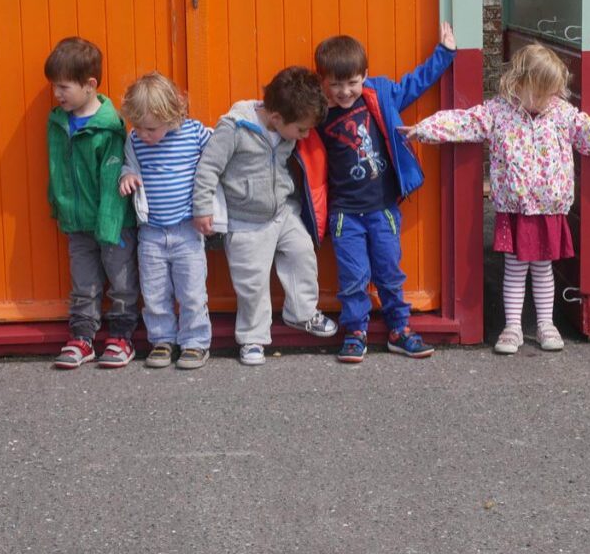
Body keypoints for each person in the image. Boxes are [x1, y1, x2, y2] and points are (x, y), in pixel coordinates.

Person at [402, 43, 590, 354]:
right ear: (518, 83)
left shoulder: (563, 114)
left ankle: (546, 324)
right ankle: (512, 327)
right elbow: (464, 121)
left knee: (542, 268)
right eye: (538, 92)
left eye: (550, 93)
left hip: (550, 208)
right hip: (514, 207)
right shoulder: (498, 111)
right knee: (514, 268)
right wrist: (425, 129)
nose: (544, 100)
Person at [300, 23, 457, 363]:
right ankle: (356, 330)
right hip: (344, 214)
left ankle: (400, 329)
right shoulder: (318, 114)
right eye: (336, 84)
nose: (345, 91)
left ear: (365, 76)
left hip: (383, 208)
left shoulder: (378, 96)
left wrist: (444, 54)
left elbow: (414, 85)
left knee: (389, 270)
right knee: (353, 276)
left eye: (352, 82)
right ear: (322, 81)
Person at [192, 66, 338, 365]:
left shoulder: (285, 125)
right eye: (301, 130)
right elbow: (208, 168)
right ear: (275, 118)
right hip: (246, 221)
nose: (306, 135)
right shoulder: (234, 128)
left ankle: (302, 313)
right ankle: (252, 337)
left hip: (282, 211)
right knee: (252, 283)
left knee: (302, 252)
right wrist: (202, 207)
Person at [45, 37, 140, 369]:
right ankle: (82, 338)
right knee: (83, 284)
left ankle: (122, 337)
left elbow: (114, 184)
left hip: (112, 224)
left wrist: (109, 225)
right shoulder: (58, 121)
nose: (57, 94)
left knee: (122, 281)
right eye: (54, 87)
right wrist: (57, 203)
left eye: (63, 87)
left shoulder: (108, 128)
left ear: (90, 85)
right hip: (77, 223)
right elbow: (56, 166)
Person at [119, 72, 212, 370]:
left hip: (187, 228)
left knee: (192, 291)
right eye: (138, 127)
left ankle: (195, 342)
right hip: (151, 231)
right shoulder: (136, 140)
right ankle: (161, 340)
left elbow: (218, 157)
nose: (144, 134)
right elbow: (129, 164)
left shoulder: (195, 133)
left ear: (172, 115)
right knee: (155, 291)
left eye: (150, 128)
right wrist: (128, 175)